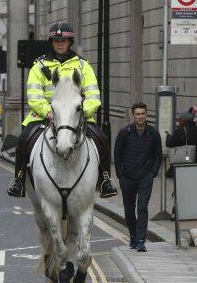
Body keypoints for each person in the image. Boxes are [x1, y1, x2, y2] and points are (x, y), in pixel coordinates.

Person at [7, 21, 118, 199]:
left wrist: (81, 113)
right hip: (45, 116)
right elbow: (34, 95)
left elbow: (93, 96)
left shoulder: (83, 66)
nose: (59, 43)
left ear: (70, 42)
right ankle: (18, 180)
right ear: (51, 42)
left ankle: (105, 180)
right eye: (56, 40)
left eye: (63, 40)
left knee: (102, 139)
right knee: (23, 140)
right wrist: (48, 113)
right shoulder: (39, 66)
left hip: (76, 117)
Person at [114, 102, 162, 252]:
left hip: (145, 177)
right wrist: (120, 174)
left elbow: (158, 155)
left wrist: (153, 172)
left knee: (142, 207)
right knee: (129, 210)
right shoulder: (125, 132)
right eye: (137, 114)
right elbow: (117, 154)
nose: (140, 116)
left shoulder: (153, 133)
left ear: (146, 114)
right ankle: (133, 236)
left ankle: (141, 240)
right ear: (133, 115)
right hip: (127, 177)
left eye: (143, 113)